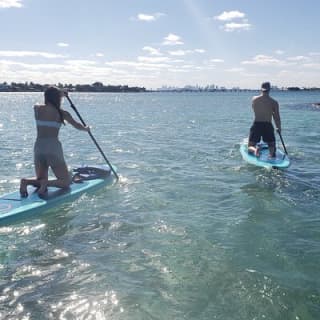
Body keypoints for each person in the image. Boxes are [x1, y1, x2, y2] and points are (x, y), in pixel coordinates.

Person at [19, 86, 90, 197]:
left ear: (46, 97)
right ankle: (45, 183)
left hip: (38, 147)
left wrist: (59, 93)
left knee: (40, 178)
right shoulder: (63, 113)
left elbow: (42, 102)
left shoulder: (37, 109)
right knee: (65, 182)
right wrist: (86, 129)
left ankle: (26, 181)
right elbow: (77, 126)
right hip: (53, 148)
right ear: (58, 98)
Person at [248, 82, 281, 158]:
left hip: (257, 124)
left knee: (250, 146)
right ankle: (271, 154)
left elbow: (253, 108)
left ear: (261, 89)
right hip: (268, 125)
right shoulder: (274, 102)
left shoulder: (254, 99)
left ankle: (255, 150)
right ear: (270, 89)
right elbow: (277, 117)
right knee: (271, 145)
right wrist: (279, 128)